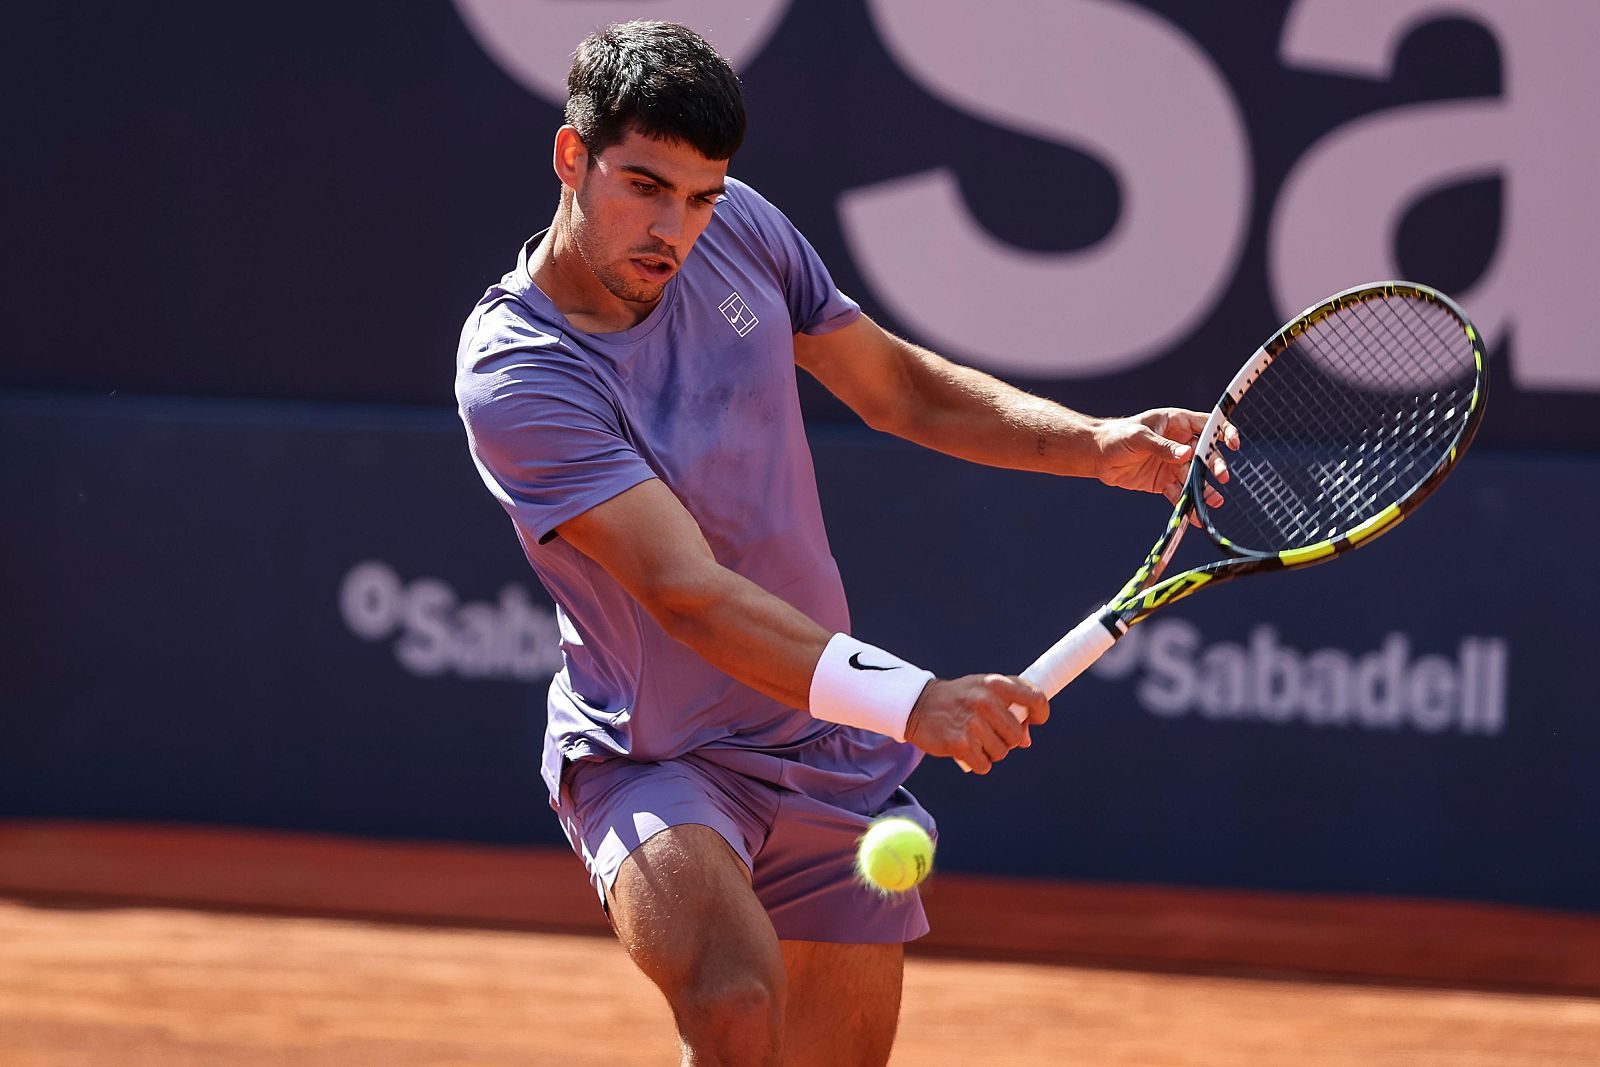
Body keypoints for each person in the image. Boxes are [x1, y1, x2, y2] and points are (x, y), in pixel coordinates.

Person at [456, 20, 1227, 1066]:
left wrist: (1093, 445)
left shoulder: (743, 235)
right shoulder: (519, 372)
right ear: (571, 158)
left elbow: (899, 388)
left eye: (699, 197)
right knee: (731, 1001)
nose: (672, 229)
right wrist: (914, 700)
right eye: (643, 186)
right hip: (659, 758)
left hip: (827, 750)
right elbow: (688, 591)